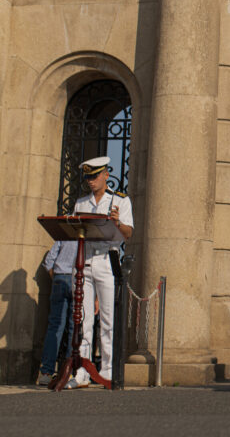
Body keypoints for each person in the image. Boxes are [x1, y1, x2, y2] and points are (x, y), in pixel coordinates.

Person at [67, 156, 133, 389]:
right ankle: (82, 372)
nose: (91, 181)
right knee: (83, 319)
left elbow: (127, 233)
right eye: (88, 177)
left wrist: (116, 222)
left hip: (107, 261)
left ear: (106, 174)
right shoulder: (81, 203)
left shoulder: (120, 200)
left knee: (107, 319)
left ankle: (106, 370)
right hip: (85, 262)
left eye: (95, 176)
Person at [37, 240, 78, 385]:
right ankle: (68, 371)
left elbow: (49, 261)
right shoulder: (86, 236)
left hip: (60, 277)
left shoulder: (63, 236)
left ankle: (46, 371)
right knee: (74, 327)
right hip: (77, 278)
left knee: (55, 326)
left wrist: (55, 277)